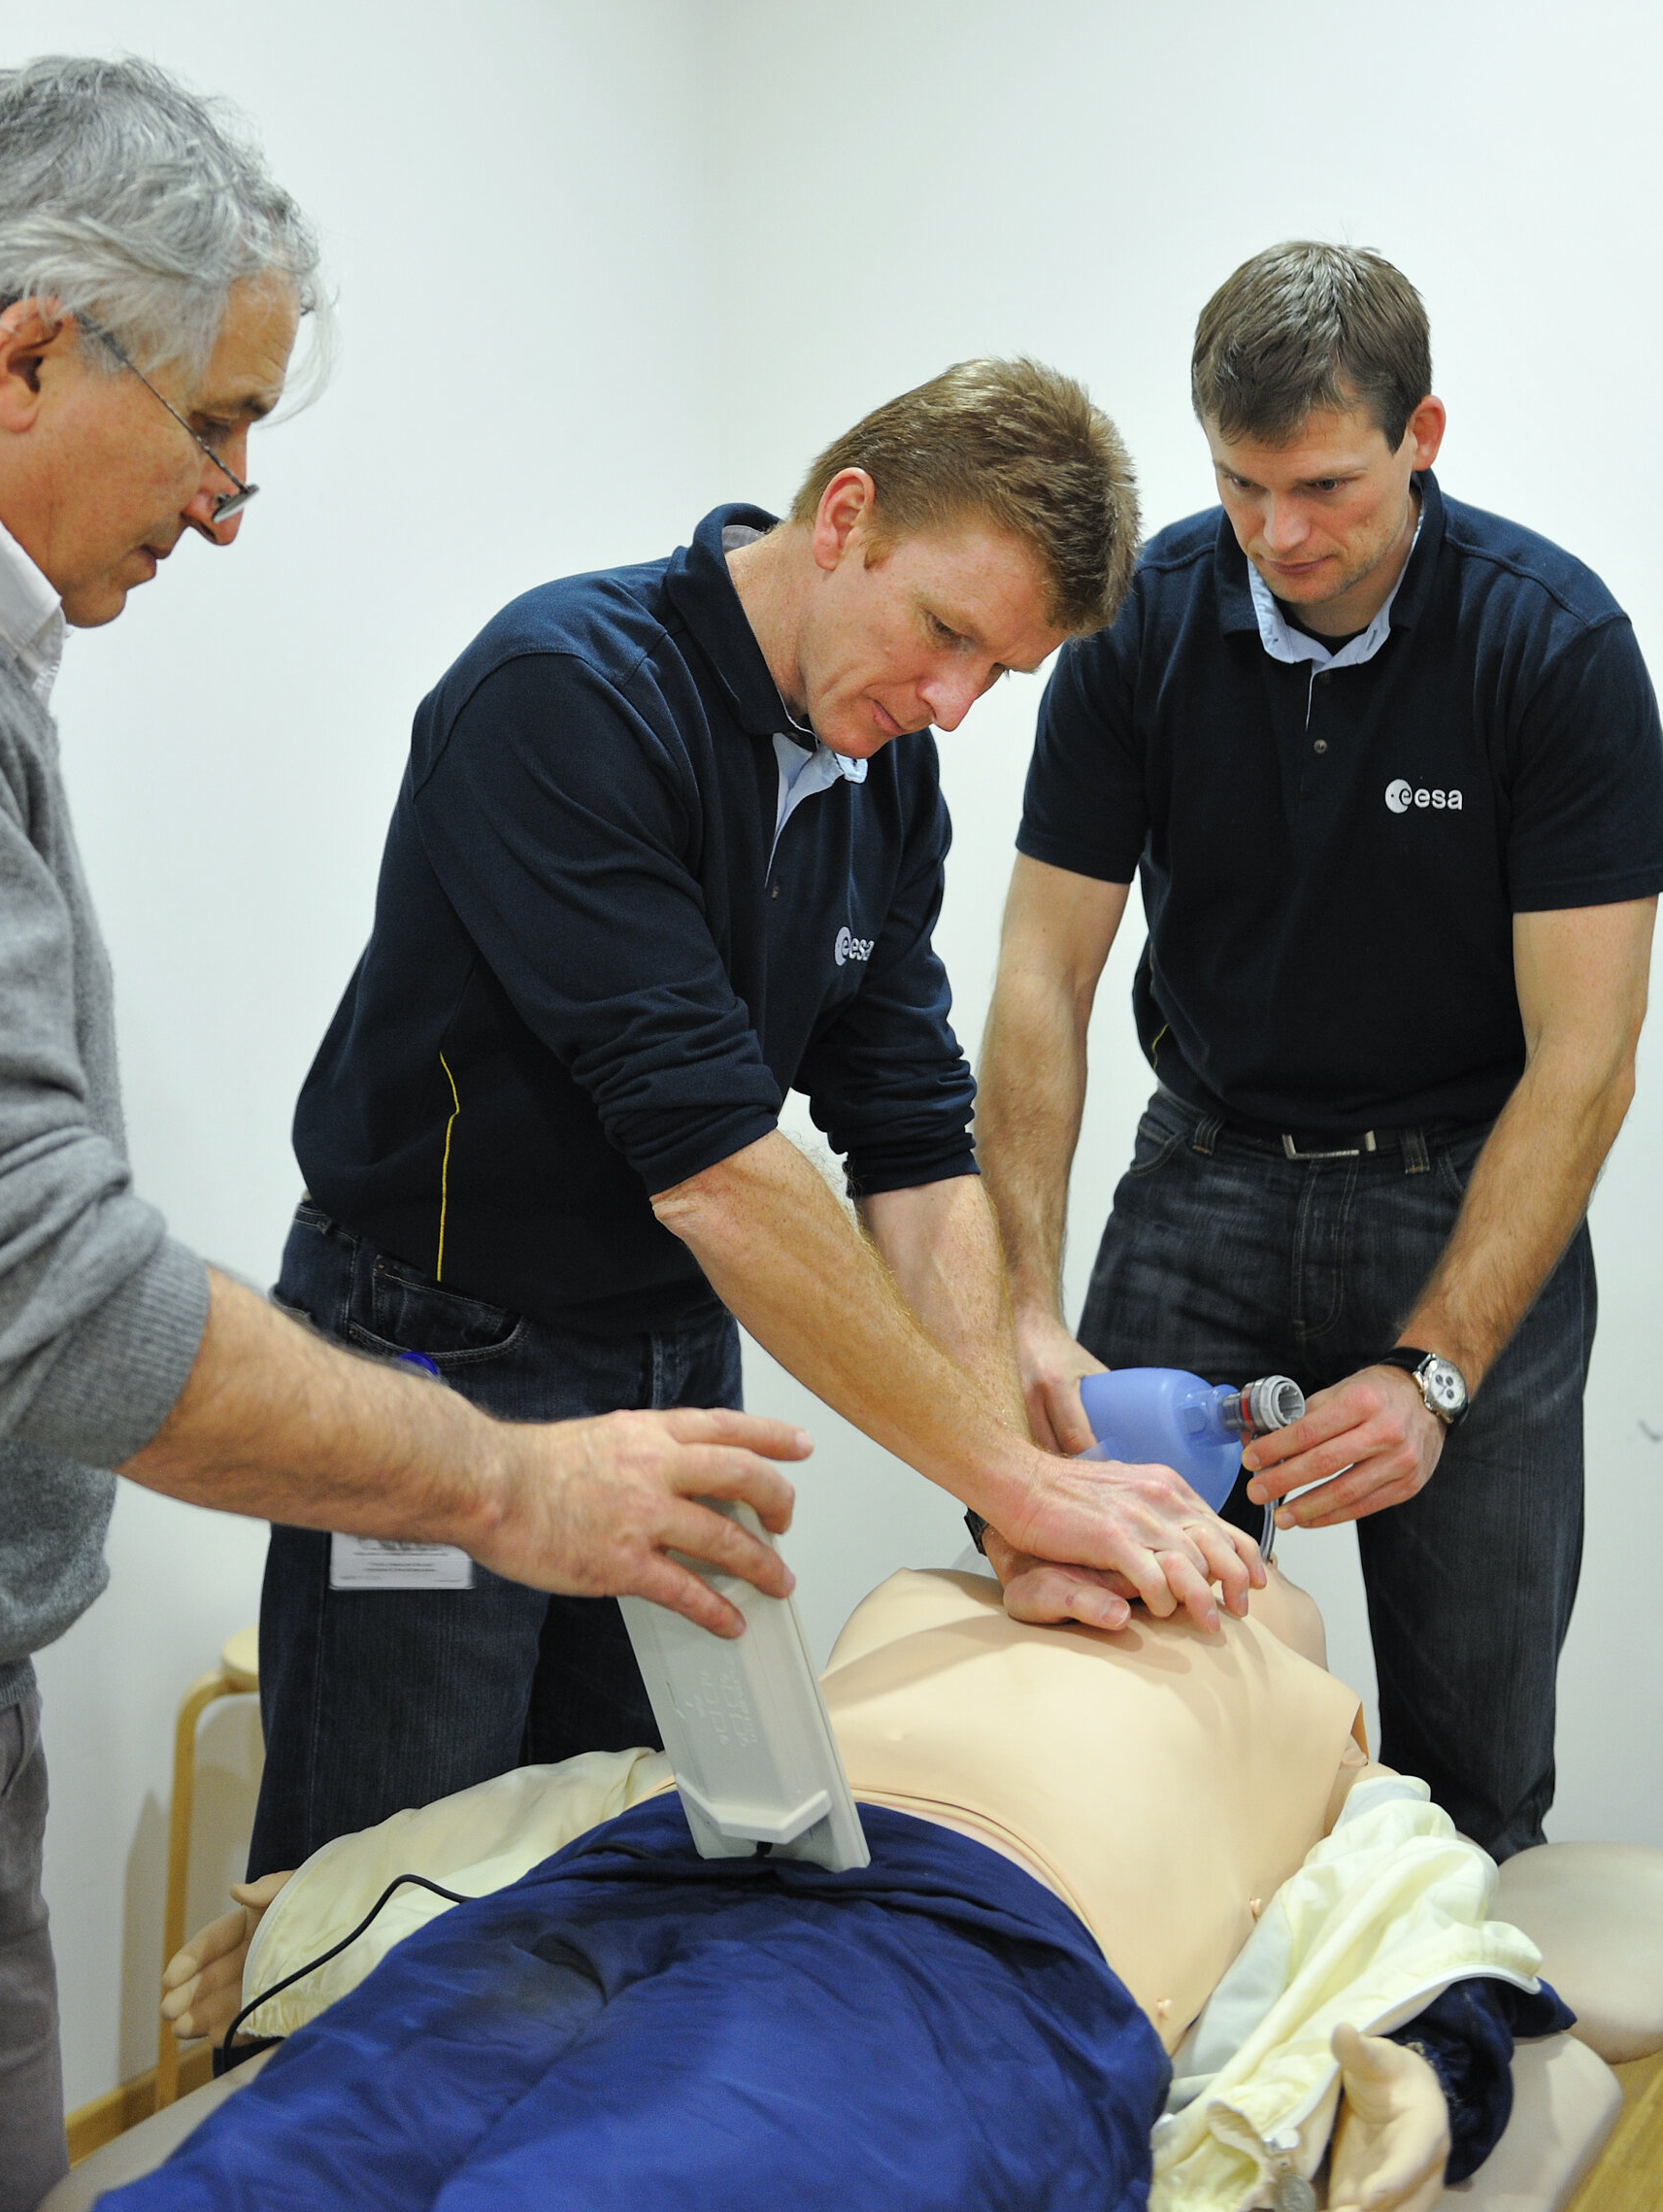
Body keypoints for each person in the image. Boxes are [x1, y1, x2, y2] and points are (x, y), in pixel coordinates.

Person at [0, 55, 808, 2212]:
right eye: (212, 423)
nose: (232, 497)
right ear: (21, 354)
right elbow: (26, 1279)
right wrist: (512, 1479)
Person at [252, 361, 1267, 1878]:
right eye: (945, 637)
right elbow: (723, 1175)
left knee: (634, 1848)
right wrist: (1021, 1480)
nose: (949, 706)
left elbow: (919, 1156)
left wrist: (1012, 1510)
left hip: (673, 1366)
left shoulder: (885, 784)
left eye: (997, 675)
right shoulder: (566, 696)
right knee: (384, 1880)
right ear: (845, 517)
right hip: (433, 1357)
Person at [977, 241, 1663, 1859]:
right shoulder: (1144, 616)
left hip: (1461, 1187)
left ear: (1422, 435)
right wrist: (1020, 1299)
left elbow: (1588, 1061)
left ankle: (1451, 2088)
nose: (1279, 537)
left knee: (1474, 1752)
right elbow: (1039, 975)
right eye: (1240, 485)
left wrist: (1434, 1370)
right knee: (1110, 1670)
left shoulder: (1554, 646)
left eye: (1324, 487)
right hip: (1202, 1175)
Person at [141, 1562, 1566, 2212]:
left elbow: (1421, 1911)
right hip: (651, 1878)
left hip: (961, 1964)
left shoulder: (1308, 1696)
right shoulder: (924, 1596)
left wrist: (1439, 2075)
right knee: (293, 2158)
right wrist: (350, 1895)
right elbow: (635, 1777)